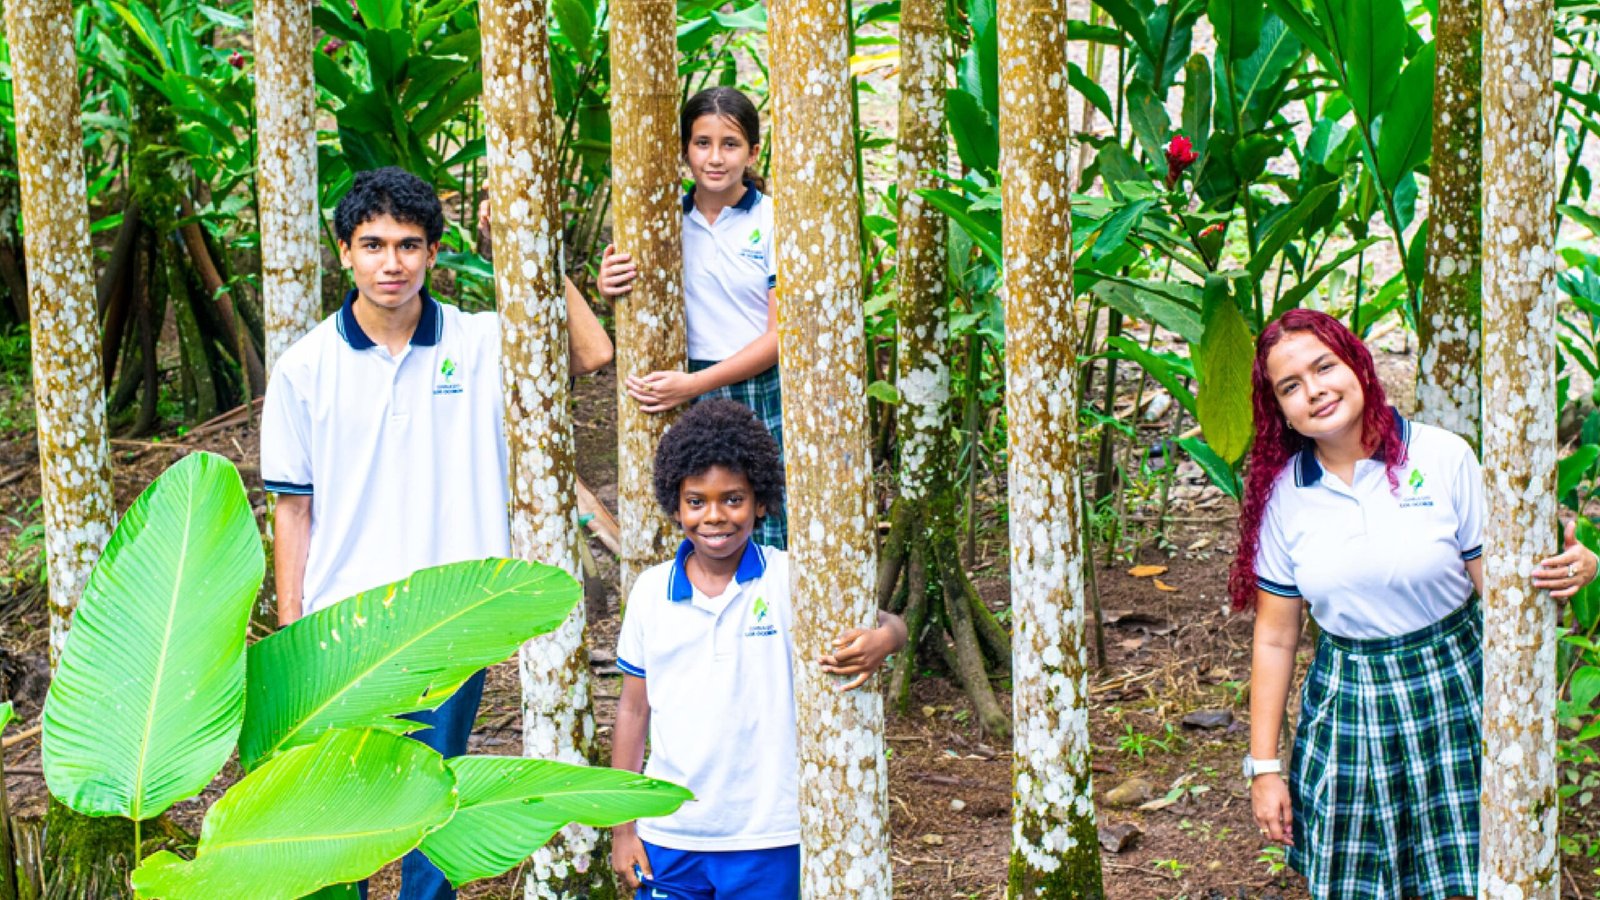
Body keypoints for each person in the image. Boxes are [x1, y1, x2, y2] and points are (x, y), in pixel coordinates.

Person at [260, 166, 612, 900]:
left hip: (456, 616)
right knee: (340, 806)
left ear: (435, 252)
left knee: (434, 796)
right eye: (374, 245)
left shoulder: (485, 342)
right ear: (343, 251)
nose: (392, 264)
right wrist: (293, 626)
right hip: (344, 625)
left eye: (410, 245)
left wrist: (529, 250)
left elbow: (591, 354)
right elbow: (293, 507)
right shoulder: (304, 368)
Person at [1234, 308, 1597, 900]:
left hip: (1456, 680)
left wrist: (1577, 568)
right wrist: (1265, 769)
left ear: (1358, 364)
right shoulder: (1285, 498)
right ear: (1279, 410)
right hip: (1349, 696)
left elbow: (1505, 591)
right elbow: (1275, 640)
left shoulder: (1442, 456)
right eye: (1290, 387)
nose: (1314, 391)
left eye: (1325, 366)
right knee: (1360, 875)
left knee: (1471, 867)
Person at [608, 399, 906, 899]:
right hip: (669, 835)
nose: (715, 517)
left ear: (760, 502)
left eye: (733, 499)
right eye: (696, 501)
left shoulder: (791, 578)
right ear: (676, 506)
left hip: (770, 833)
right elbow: (633, 710)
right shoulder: (649, 591)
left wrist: (885, 641)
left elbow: (890, 623)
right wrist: (623, 828)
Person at [598, 86, 787, 548]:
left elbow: (782, 335)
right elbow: (640, 306)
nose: (715, 158)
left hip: (754, 386)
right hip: (676, 386)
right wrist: (609, 288)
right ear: (684, 150)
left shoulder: (772, 220)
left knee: (758, 520)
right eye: (702, 143)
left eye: (731, 144)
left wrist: (696, 384)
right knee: (689, 520)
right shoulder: (659, 222)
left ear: (753, 151)